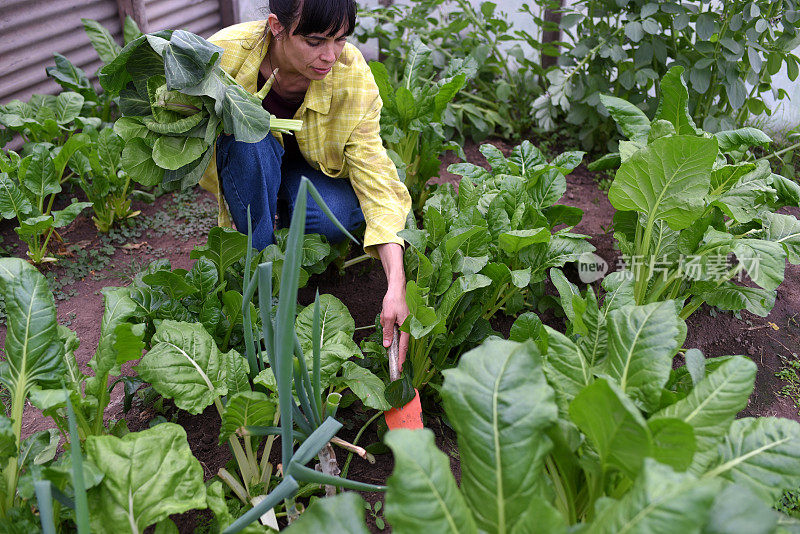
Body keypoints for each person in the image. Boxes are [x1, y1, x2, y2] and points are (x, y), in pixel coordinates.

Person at [200, 0, 411, 364]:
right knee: (250, 142)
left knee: (337, 216)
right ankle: (262, 282)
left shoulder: (351, 74)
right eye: (315, 42)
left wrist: (396, 284)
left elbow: (376, 176)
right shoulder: (225, 55)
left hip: (309, 173)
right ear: (276, 26)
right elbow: (174, 109)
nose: (330, 55)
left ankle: (284, 221)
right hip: (250, 161)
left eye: (340, 40)